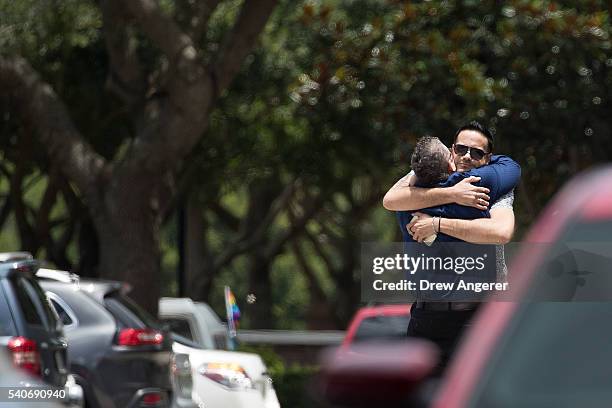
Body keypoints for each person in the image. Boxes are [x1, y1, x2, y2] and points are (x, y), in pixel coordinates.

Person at [383, 121, 520, 370]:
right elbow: (390, 199)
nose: (466, 156)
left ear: (488, 158)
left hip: (476, 317)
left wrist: (437, 224)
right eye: (460, 149)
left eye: (477, 153)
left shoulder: (494, 189)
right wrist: (452, 194)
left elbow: (501, 232)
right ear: (450, 152)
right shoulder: (423, 177)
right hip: (425, 317)